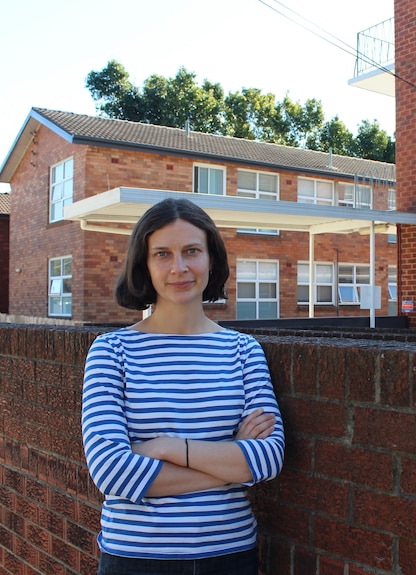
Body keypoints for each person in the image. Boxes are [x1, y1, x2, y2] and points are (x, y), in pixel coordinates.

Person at [81, 197, 285, 575]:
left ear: (211, 259)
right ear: (144, 264)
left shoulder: (243, 351)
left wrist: (165, 448)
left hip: (230, 555)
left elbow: (268, 459)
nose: (179, 268)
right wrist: (231, 459)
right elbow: (111, 470)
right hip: (135, 559)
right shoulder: (111, 352)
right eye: (162, 254)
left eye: (192, 251)